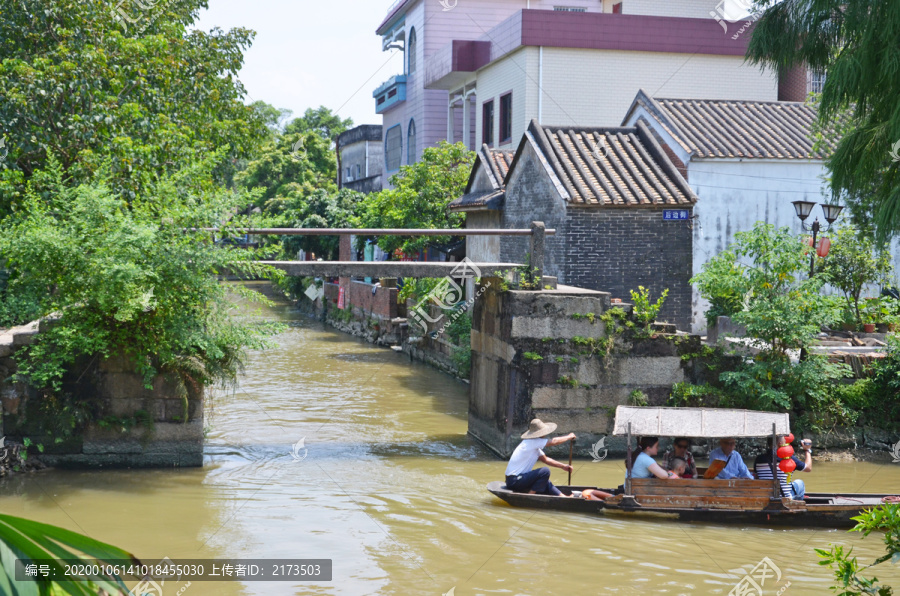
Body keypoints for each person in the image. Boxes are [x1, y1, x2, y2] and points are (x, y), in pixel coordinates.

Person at [504, 418, 575, 496]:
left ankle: (564, 497)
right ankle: (530, 496)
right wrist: (568, 437)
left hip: (517, 480)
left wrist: (563, 466)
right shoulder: (531, 442)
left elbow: (546, 460)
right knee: (545, 471)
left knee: (544, 480)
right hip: (514, 481)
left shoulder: (533, 445)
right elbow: (554, 441)